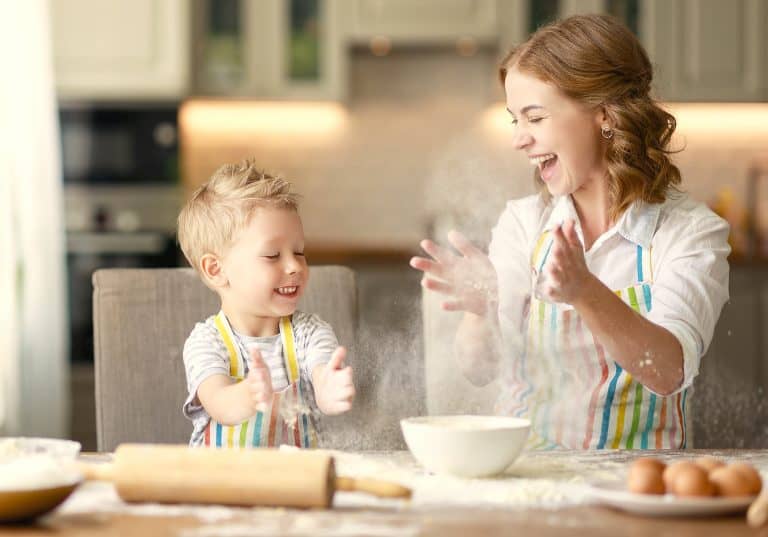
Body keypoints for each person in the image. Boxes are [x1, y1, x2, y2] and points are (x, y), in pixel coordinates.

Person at [411, 14, 730, 450]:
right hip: (530, 475)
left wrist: (585, 291)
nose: (518, 139)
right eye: (515, 120)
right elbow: (480, 368)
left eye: (535, 118)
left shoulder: (690, 232)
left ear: (603, 115)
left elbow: (667, 369)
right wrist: (479, 312)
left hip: (642, 483)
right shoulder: (524, 224)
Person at [177, 158, 355, 448]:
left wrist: (329, 390)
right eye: (273, 255)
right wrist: (247, 395)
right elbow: (219, 403)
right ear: (216, 270)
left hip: (296, 483)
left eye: (299, 252)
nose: (294, 266)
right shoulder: (206, 342)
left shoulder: (308, 333)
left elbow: (321, 372)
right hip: (223, 486)